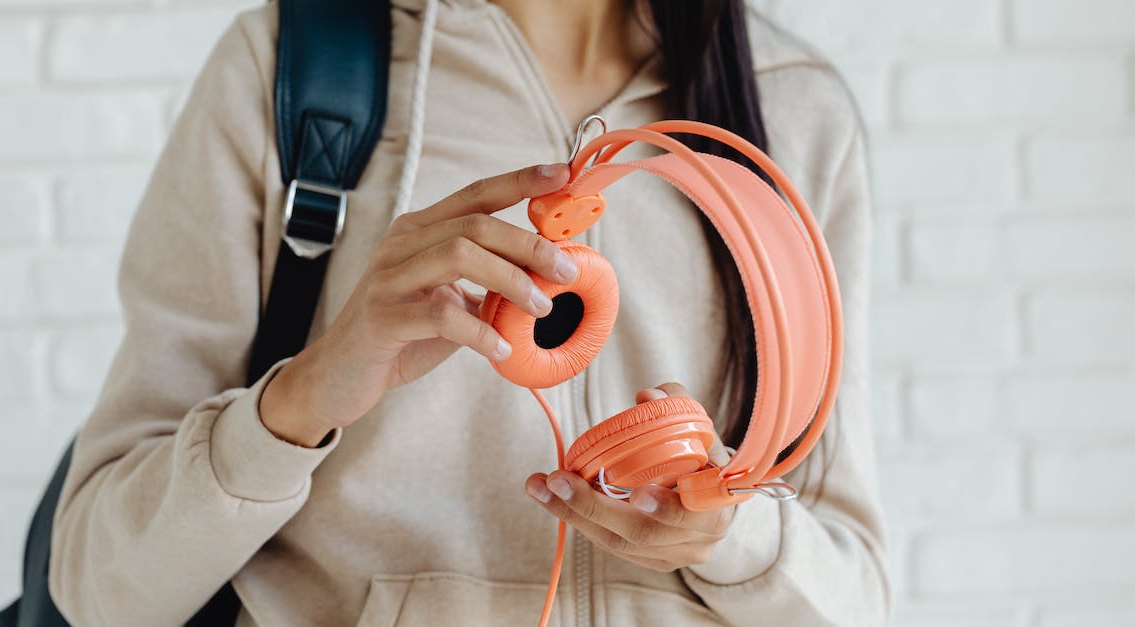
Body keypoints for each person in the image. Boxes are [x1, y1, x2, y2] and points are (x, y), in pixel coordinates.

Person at [48, 0, 889, 625]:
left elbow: (853, 597)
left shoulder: (791, 113)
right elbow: (100, 587)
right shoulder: (294, 73)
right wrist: (302, 400)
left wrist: (728, 534)